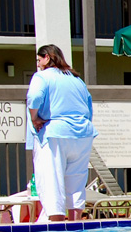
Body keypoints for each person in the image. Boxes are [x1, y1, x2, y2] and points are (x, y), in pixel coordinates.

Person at [27, 45, 98, 222]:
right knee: (76, 181)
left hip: (55, 133)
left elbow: (34, 97)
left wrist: (34, 117)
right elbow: (88, 106)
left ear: (48, 58)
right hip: (82, 133)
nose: (38, 64)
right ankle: (74, 224)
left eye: (39, 60)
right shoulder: (76, 79)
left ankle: (56, 223)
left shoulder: (42, 77)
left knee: (52, 179)